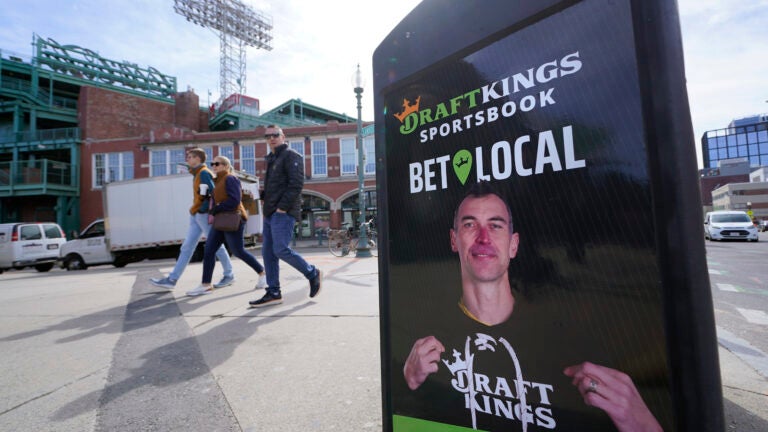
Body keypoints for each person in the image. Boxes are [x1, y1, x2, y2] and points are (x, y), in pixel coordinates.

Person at [401, 181, 662, 431]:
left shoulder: (567, 340)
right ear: (453, 240)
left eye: (496, 226)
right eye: (470, 225)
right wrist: (408, 383)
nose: (483, 237)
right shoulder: (430, 341)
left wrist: (641, 422)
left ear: (513, 244)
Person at [249, 125, 321, 307]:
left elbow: (296, 184)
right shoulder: (272, 158)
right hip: (270, 213)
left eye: (275, 135)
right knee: (267, 253)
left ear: (283, 136)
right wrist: (261, 194)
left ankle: (312, 273)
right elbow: (277, 187)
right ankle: (273, 292)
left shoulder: (291, 155)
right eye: (268, 136)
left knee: (280, 249)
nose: (271, 138)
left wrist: (282, 208)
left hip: (283, 212)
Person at [150, 148, 240, 290]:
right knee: (187, 247)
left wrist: (203, 208)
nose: (188, 159)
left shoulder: (204, 173)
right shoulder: (197, 173)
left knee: (215, 246)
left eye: (190, 157)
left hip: (202, 214)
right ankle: (172, 279)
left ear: (198, 159)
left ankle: (229, 274)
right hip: (196, 214)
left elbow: (213, 193)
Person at [187, 156, 267, 296]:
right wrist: (205, 196)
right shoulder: (216, 181)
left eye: (216, 164)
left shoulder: (231, 178)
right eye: (212, 164)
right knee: (209, 250)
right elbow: (218, 199)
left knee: (238, 251)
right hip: (220, 220)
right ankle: (205, 284)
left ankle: (263, 273)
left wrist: (217, 207)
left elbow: (235, 200)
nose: (213, 166)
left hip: (233, 218)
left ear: (225, 166)